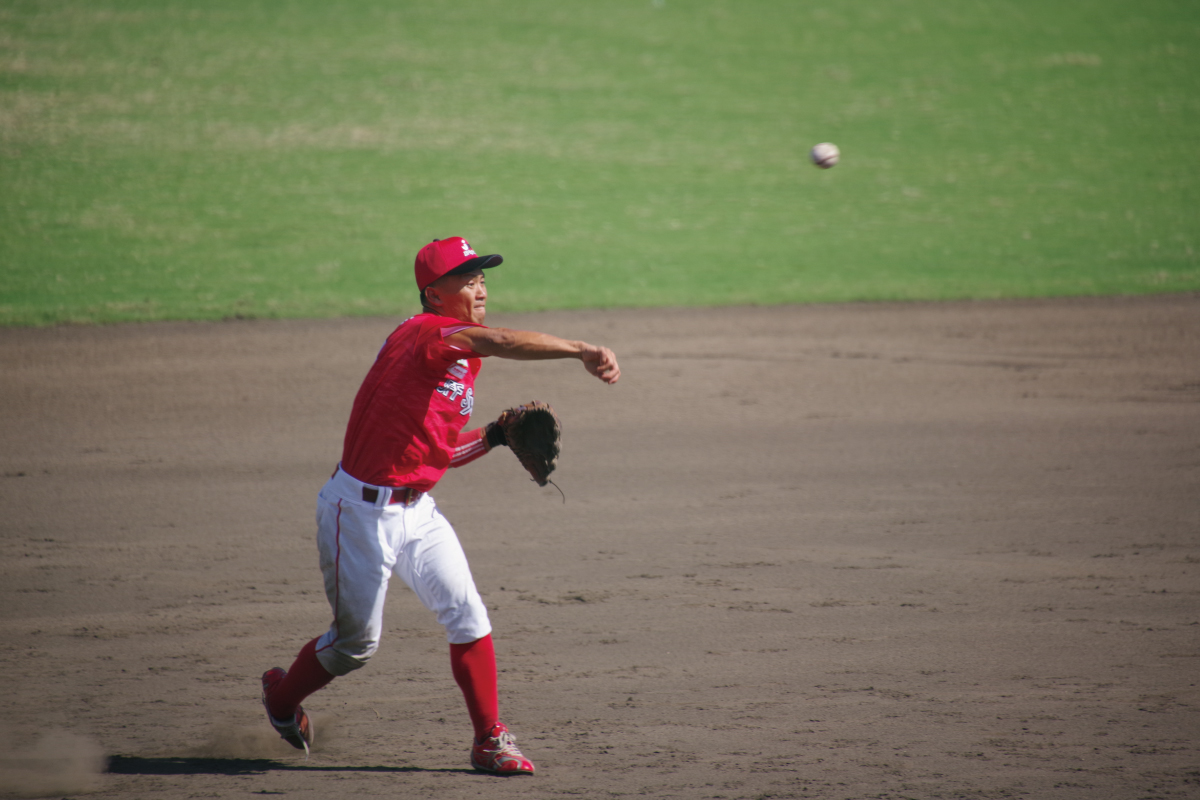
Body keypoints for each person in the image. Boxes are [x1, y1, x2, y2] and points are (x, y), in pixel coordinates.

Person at [259, 236, 620, 775]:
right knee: (355, 645)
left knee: (467, 614)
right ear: (434, 294)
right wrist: (580, 349)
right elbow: (502, 340)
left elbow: (438, 453)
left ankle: (489, 739)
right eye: (467, 280)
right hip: (358, 515)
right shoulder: (426, 334)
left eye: (482, 278)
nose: (481, 289)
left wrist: (494, 436)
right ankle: (283, 698)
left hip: (417, 510)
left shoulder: (460, 360)